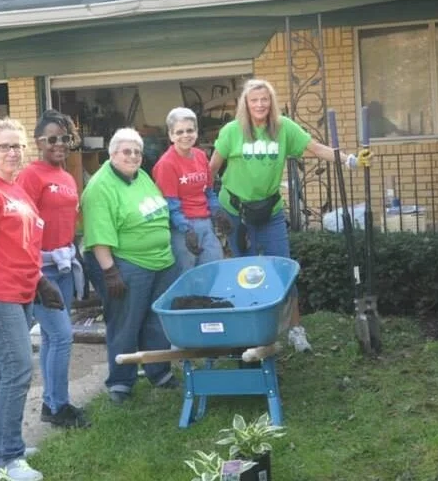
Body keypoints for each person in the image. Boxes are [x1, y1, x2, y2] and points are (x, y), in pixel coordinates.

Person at [209, 79, 371, 353]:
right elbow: (210, 169)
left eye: (265, 100)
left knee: (283, 270)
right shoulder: (232, 131)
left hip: (270, 211)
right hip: (236, 213)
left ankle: (296, 330)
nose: (260, 105)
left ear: (271, 102)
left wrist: (350, 160)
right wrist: (212, 207)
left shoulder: (283, 128)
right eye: (254, 100)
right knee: (243, 272)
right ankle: (249, 333)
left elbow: (317, 148)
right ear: (245, 104)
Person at [0, 117, 65, 481]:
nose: (12, 152)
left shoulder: (16, 187)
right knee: (19, 369)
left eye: (17, 145)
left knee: (5, 371)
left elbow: (19, 244)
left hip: (21, 290)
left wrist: (39, 281)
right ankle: (9, 458)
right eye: (4, 145)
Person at [81, 128, 179, 404]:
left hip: (161, 261)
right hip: (126, 263)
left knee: (156, 319)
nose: (133, 156)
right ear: (112, 154)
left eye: (137, 151)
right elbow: (98, 234)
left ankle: (158, 372)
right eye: (126, 151)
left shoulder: (141, 176)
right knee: (126, 321)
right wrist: (110, 272)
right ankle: (121, 382)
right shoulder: (101, 187)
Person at [16, 110, 90, 430]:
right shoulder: (31, 175)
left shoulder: (67, 176)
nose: (60, 144)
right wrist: (35, 276)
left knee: (50, 338)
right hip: (41, 270)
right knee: (62, 337)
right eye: (52, 139)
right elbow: (21, 227)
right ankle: (60, 406)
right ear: (39, 143)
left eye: (65, 138)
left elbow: (67, 221)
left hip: (64, 265)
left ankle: (51, 402)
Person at [152, 107, 223, 276]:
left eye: (190, 130)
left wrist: (218, 212)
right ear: (171, 135)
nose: (185, 135)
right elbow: (170, 204)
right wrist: (186, 229)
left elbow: (209, 191)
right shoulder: (166, 164)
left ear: (196, 132)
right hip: (182, 228)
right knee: (187, 276)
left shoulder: (200, 155)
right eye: (179, 132)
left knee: (213, 270)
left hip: (206, 223)